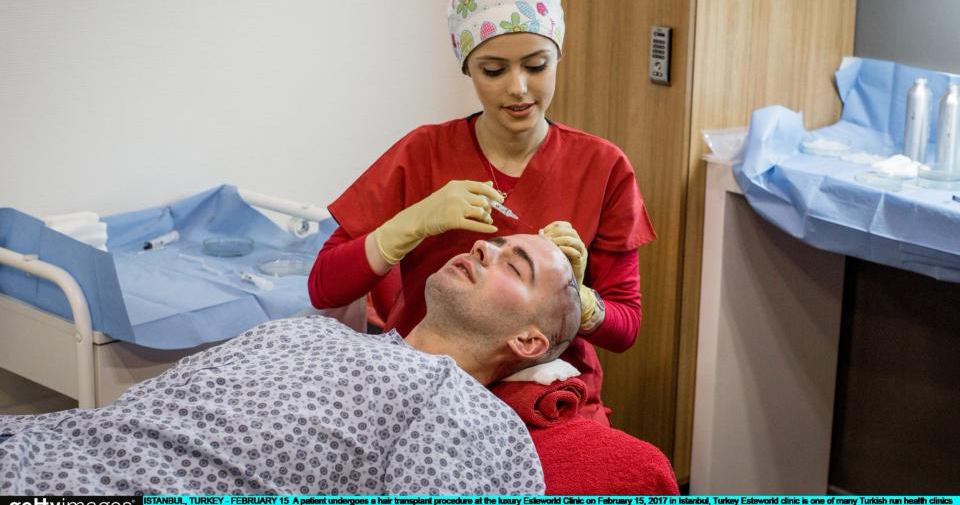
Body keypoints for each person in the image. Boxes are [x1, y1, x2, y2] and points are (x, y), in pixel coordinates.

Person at [309, 0, 656, 425]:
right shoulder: (423, 153)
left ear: (558, 57)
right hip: (425, 385)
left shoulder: (603, 168)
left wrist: (582, 297)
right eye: (493, 70)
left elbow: (626, 327)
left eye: (537, 65)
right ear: (467, 67)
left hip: (548, 394)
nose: (519, 89)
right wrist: (414, 222)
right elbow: (324, 285)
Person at [0, 234, 580, 496]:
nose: (486, 247)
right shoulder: (312, 330)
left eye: (516, 265)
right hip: (39, 446)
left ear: (529, 341)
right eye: (498, 241)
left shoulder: (460, 410)